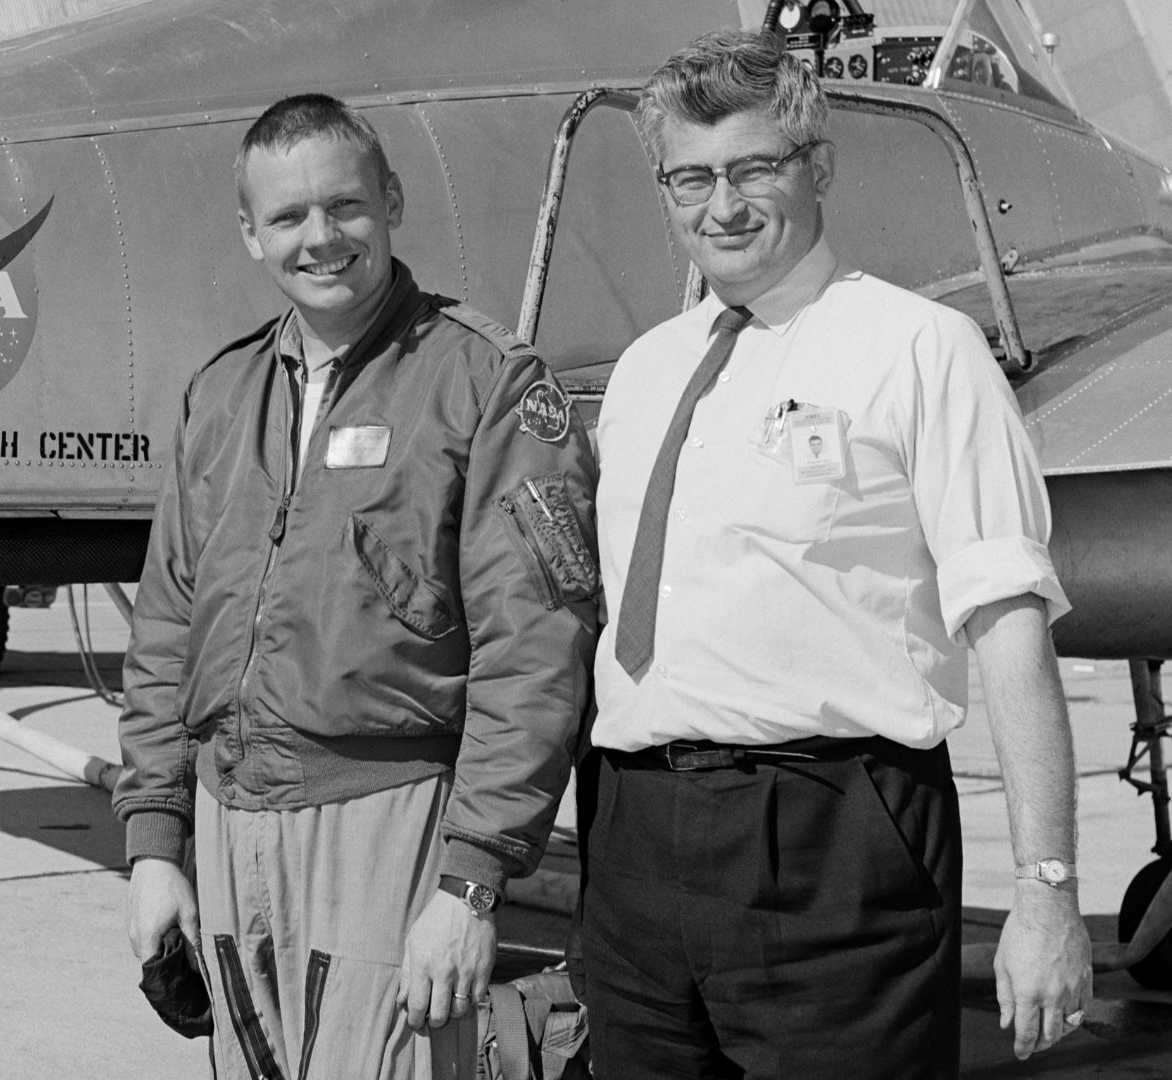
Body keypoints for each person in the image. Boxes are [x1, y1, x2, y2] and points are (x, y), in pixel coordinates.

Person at [582, 29, 1092, 1078]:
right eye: (690, 177)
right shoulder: (642, 373)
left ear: (817, 168)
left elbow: (1008, 625)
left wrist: (1046, 888)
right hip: (635, 837)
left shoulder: (918, 351)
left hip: (832, 839)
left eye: (753, 168)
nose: (721, 205)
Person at [115, 93, 598, 1079]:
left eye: (345, 208)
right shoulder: (222, 395)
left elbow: (536, 649)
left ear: (393, 200)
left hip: (390, 819)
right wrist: (156, 844)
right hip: (230, 817)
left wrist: (470, 886)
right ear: (251, 234)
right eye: (288, 217)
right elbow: (167, 629)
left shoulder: (484, 384)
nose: (320, 238)